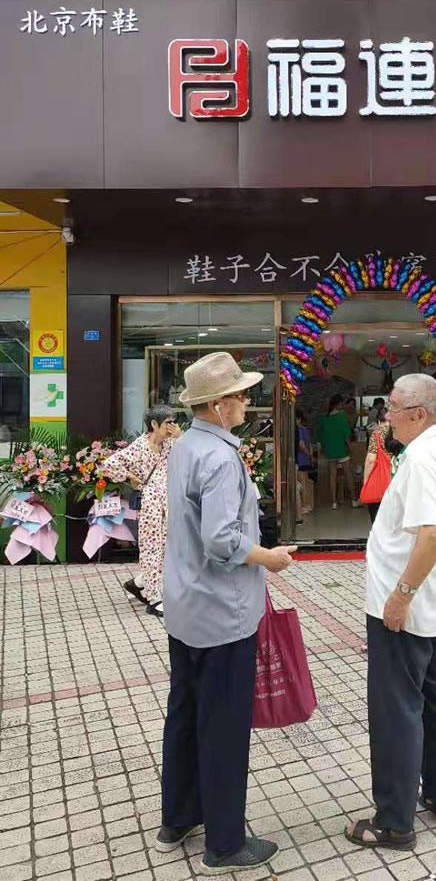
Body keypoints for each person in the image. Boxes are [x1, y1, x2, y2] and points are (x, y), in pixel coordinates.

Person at [157, 352, 297, 875]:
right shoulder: (220, 457)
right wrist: (268, 558)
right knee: (223, 725)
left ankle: (178, 818)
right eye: (239, 395)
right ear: (217, 404)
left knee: (185, 713)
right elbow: (221, 540)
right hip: (222, 611)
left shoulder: (184, 446)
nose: (246, 402)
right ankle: (225, 843)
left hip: (186, 605)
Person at [346, 374, 436, 850]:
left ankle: (395, 821)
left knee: (397, 710)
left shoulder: (420, 459)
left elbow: (433, 533)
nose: (386, 416)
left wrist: (401, 594)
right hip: (435, 604)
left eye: (394, 408)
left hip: (408, 609)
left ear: (418, 413)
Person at [107, 404, 181, 618]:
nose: (172, 426)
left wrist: (180, 437)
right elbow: (110, 464)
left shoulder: (171, 443)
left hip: (169, 502)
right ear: (154, 424)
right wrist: (129, 477)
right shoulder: (140, 446)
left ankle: (139, 584)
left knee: (167, 549)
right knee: (151, 549)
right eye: (168, 422)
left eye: (174, 422)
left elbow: (191, 457)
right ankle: (154, 598)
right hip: (150, 504)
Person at [317, 394, 358, 510]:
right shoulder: (342, 416)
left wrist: (323, 449)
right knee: (349, 475)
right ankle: (354, 500)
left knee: (332, 477)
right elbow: (346, 435)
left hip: (330, 451)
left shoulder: (324, 418)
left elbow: (320, 436)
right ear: (338, 404)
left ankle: (334, 502)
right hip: (342, 450)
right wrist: (351, 449)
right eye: (341, 404)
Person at [295, 409, 314, 517]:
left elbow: (301, 444)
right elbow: (309, 444)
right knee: (305, 483)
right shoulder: (305, 429)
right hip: (305, 460)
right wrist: (310, 455)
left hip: (300, 459)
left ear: (299, 419)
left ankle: (304, 505)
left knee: (301, 485)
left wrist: (306, 453)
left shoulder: (298, 430)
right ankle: (307, 505)